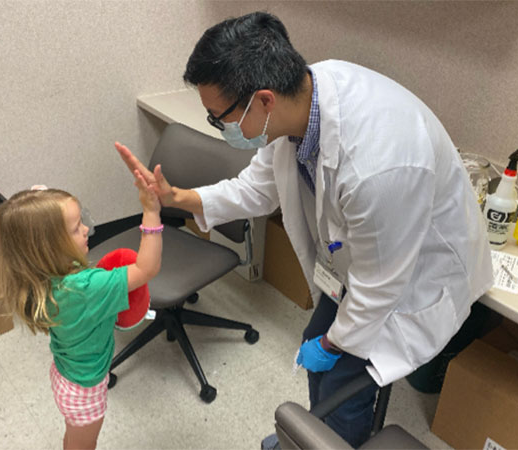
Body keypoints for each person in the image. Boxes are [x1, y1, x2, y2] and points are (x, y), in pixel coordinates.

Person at [116, 11, 493, 448]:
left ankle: (330, 440)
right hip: (368, 258)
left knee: (338, 379)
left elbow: (379, 289)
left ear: (263, 100)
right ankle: (318, 432)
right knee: (319, 346)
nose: (220, 128)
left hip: (418, 273)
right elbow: (256, 189)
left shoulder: (376, 166)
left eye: (219, 118)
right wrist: (176, 197)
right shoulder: (302, 101)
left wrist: (334, 346)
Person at [0, 171, 162, 450]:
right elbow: (147, 268)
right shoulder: (85, 289)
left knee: (74, 438)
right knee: (85, 445)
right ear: (48, 247)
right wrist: (152, 212)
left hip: (66, 376)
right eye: (75, 228)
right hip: (86, 389)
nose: (85, 229)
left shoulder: (39, 276)